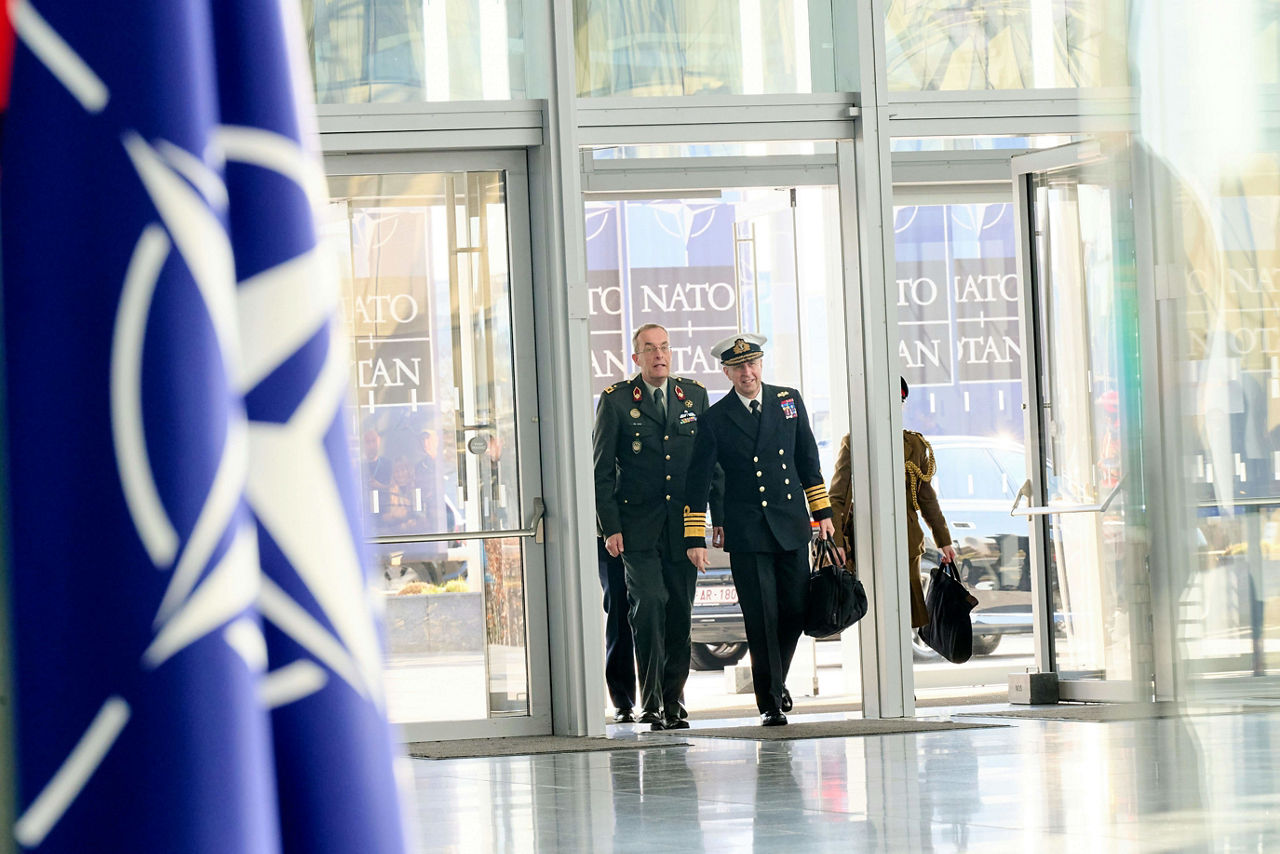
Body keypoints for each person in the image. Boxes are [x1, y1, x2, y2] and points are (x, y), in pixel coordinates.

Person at [684, 333, 835, 727]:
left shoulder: (788, 401)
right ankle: (769, 700)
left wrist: (822, 513)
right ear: (727, 372)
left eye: (752, 364)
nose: (747, 372)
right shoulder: (715, 419)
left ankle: (776, 680)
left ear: (761, 364)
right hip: (747, 532)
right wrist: (694, 537)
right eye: (738, 367)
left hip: (790, 525)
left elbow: (808, 460)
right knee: (761, 616)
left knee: (797, 610)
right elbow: (698, 481)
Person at [593, 323, 720, 731]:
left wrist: (711, 523)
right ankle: (649, 703)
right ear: (637, 358)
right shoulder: (615, 402)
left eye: (664, 347)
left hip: (682, 528)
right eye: (650, 349)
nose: (659, 355)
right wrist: (610, 526)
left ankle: (673, 701)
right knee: (647, 606)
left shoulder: (694, 395)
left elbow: (708, 467)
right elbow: (600, 472)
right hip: (637, 528)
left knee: (679, 614)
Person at [828, 376, 956, 630]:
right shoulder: (855, 442)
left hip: (905, 541)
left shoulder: (914, 445)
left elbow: (926, 496)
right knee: (869, 613)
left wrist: (944, 539)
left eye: (897, 401)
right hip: (866, 541)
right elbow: (837, 497)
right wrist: (838, 542)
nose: (891, 407)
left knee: (906, 615)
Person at [596, 537, 638, 722]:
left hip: (648, 529)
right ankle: (623, 701)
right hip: (607, 538)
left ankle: (665, 699)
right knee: (618, 612)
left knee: (656, 614)